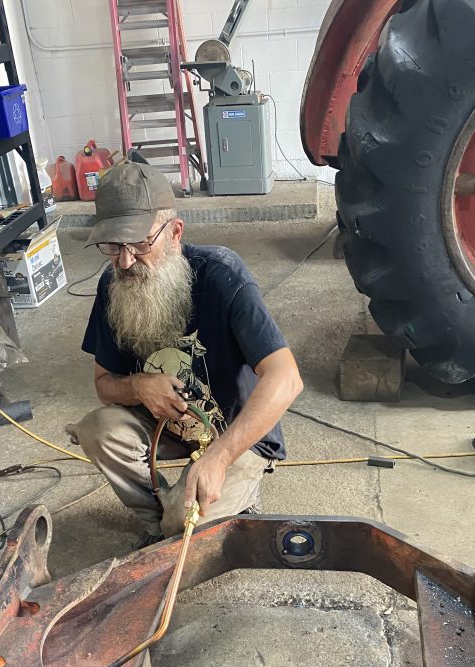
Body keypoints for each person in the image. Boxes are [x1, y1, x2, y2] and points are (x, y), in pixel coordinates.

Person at [71, 158, 303, 547]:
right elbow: (104, 385)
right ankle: (161, 522)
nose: (126, 262)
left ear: (175, 232)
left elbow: (286, 378)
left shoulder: (222, 274)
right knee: (97, 431)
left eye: (141, 244)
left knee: (184, 519)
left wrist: (219, 458)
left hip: (231, 434)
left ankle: (214, 501)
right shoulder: (114, 283)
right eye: (113, 246)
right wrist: (140, 387)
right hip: (166, 427)